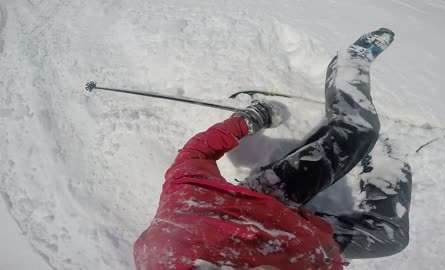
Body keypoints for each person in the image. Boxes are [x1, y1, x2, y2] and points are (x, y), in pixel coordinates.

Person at [134, 28, 412, 270]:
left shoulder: (178, 236)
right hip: (306, 236)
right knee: (391, 237)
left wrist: (246, 121)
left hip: (262, 200)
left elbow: (195, 155)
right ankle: (385, 159)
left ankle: (350, 65)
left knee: (358, 129)